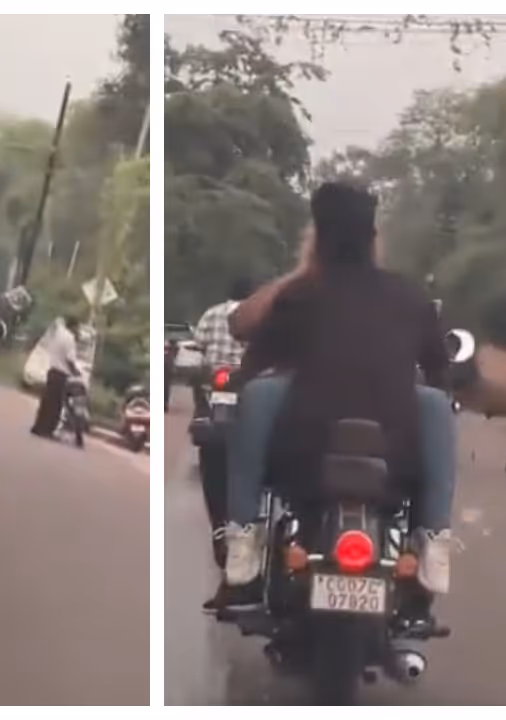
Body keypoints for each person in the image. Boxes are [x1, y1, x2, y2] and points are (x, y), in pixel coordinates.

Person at [215, 183, 458, 609]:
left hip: (304, 451)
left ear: (318, 237)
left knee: (256, 394)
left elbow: (255, 359)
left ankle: (243, 530)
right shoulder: (410, 296)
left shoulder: (301, 294)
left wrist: (243, 384)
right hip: (394, 451)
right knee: (437, 405)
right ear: (373, 237)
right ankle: (434, 535)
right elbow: (440, 369)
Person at [191, 277, 252, 415]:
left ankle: (201, 413)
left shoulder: (212, 312)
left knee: (198, 384)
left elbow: (199, 341)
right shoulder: (254, 315)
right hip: (243, 372)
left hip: (213, 370)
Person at [31, 316, 82, 438]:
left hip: (52, 370)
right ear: (74, 326)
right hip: (61, 374)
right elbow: (70, 359)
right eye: (78, 327)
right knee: (55, 405)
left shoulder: (59, 334)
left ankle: (38, 427)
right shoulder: (70, 338)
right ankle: (48, 430)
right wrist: (75, 372)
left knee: (46, 402)